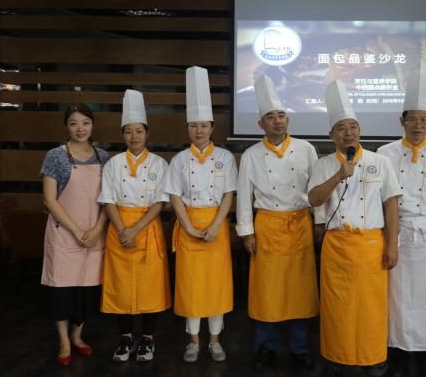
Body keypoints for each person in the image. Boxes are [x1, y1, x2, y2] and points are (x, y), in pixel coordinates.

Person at [308, 80, 401, 377]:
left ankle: (373, 359)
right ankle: (338, 358)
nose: (348, 133)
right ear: (332, 135)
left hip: (371, 246)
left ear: (360, 131)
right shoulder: (324, 165)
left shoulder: (380, 162)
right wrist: (339, 175)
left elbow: (391, 205)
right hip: (337, 246)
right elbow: (314, 199)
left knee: (371, 307)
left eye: (353, 127)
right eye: (341, 128)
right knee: (338, 307)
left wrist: (392, 244)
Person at [236, 74, 321, 372]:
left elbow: (316, 191)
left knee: (301, 290)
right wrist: (246, 232)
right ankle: (266, 347)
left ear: (288, 119)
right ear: (261, 123)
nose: (277, 121)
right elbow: (244, 196)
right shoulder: (251, 155)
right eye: (270, 117)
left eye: (281, 115)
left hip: (300, 224)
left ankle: (299, 348)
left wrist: (319, 223)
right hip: (267, 226)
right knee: (267, 291)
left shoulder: (306, 149)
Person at [376, 64, 426, 377]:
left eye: (423, 120)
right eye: (412, 119)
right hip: (396, 234)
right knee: (396, 297)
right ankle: (396, 352)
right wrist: (386, 238)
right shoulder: (385, 153)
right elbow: (381, 199)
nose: (418, 125)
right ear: (402, 121)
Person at [165, 66, 237, 363]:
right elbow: (174, 196)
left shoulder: (225, 157)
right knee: (191, 287)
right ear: (188, 129)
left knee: (216, 286)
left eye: (204, 125)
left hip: (216, 228)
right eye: (194, 126)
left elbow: (229, 194)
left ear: (212, 128)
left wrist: (216, 225)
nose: (199, 130)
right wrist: (189, 228)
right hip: (189, 227)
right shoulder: (180, 160)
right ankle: (194, 342)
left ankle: (215, 341)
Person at [98, 90, 172, 362]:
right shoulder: (113, 164)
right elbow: (108, 200)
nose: (134, 136)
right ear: (123, 135)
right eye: (128, 131)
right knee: (121, 287)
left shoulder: (159, 164)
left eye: (139, 131)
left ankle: (148, 340)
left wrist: (135, 229)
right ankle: (126, 338)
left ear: (147, 133)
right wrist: (122, 230)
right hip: (119, 229)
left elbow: (159, 203)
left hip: (147, 229)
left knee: (150, 287)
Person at [40, 103, 110, 366]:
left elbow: (109, 199)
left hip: (94, 233)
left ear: (92, 125)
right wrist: (78, 231)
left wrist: (97, 229)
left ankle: (78, 336)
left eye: (85, 123)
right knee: (61, 291)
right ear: (66, 126)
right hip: (64, 234)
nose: (80, 129)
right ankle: (64, 342)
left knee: (86, 290)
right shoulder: (55, 156)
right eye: (73, 123)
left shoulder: (104, 157)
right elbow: (50, 200)